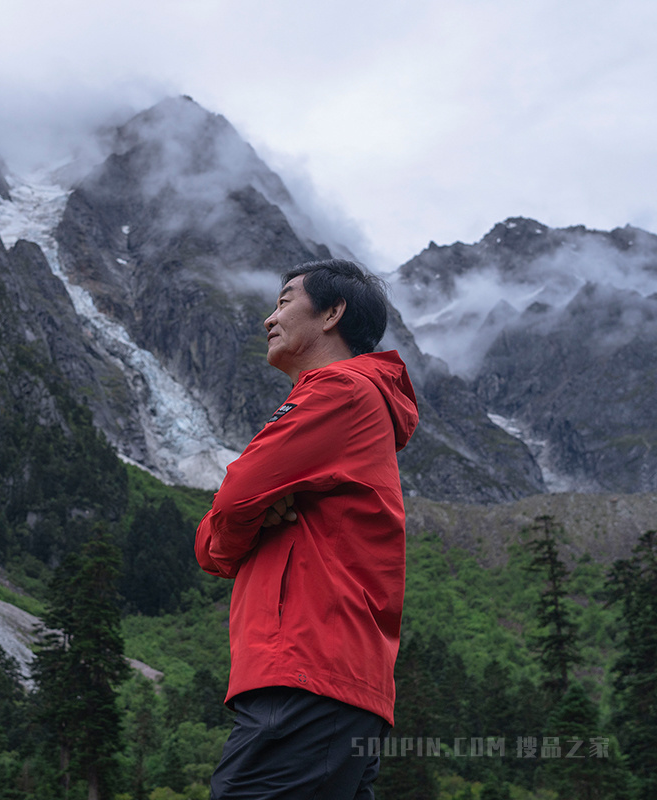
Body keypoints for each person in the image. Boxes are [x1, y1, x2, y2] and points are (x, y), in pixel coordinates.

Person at [195, 258, 419, 799]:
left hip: (305, 670)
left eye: (284, 301)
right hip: (340, 682)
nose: (269, 319)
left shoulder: (338, 390)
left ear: (332, 313)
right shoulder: (358, 398)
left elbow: (232, 505)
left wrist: (231, 533)